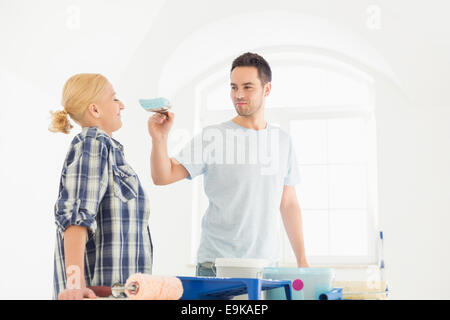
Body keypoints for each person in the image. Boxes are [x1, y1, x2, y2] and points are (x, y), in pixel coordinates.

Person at [148, 52, 309, 276]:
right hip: (216, 265)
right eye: (233, 87)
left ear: (267, 89)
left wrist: (302, 260)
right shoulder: (213, 137)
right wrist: (159, 138)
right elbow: (162, 176)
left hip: (267, 268)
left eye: (247, 87)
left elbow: (289, 202)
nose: (238, 95)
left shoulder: (281, 141)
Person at [50, 73, 153, 299]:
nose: (122, 105)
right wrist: (75, 284)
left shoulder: (109, 150)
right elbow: (76, 218)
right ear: (95, 110)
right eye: (115, 98)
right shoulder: (92, 143)